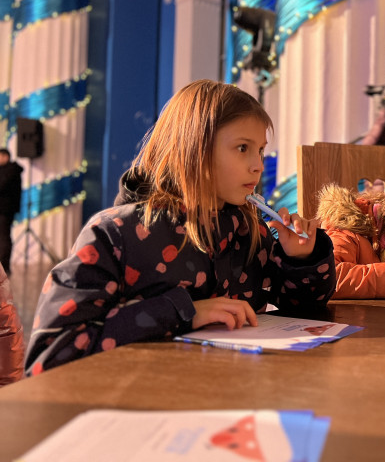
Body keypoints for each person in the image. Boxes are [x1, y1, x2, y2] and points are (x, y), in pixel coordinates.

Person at [24, 80, 336, 375]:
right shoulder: (116, 234)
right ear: (194, 150)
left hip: (229, 390)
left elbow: (303, 310)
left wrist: (300, 259)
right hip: (143, 400)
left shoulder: (249, 229)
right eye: (243, 148)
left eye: (261, 150)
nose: (258, 165)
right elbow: (52, 354)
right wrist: (184, 312)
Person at [0, 148, 23, 277]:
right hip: (5, 209)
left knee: (3, 237)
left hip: (5, 210)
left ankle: (4, 266)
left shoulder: (11, 170)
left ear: (5, 157)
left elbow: (2, 185)